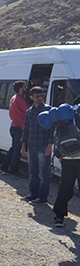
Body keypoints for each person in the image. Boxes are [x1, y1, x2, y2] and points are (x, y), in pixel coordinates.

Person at [20, 86, 53, 205]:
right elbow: (26, 129)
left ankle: (42, 197)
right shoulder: (29, 111)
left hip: (43, 145)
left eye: (42, 96)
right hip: (32, 145)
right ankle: (33, 193)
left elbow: (52, 130)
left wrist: (50, 145)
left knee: (43, 174)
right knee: (33, 172)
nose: (40, 98)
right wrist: (23, 145)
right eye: (37, 96)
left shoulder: (49, 110)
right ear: (31, 97)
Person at [52, 96, 80, 227]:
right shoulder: (77, 118)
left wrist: (60, 155)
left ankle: (59, 216)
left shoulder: (61, 120)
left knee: (65, 187)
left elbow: (56, 140)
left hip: (66, 158)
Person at [0, 80, 29, 175]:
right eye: (24, 87)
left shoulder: (13, 98)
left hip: (14, 126)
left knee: (13, 148)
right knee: (18, 150)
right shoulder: (20, 99)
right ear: (21, 88)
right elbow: (29, 110)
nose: (26, 89)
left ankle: (4, 167)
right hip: (20, 127)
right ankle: (14, 170)